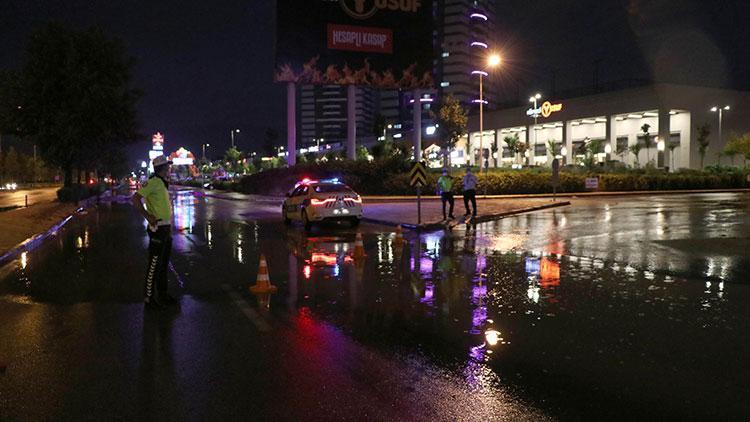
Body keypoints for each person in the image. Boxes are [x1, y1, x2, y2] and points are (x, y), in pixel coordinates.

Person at [132, 155, 176, 310]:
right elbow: (135, 198)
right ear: (161, 168)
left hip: (165, 228)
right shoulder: (152, 182)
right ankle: (148, 298)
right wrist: (147, 216)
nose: (169, 168)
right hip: (157, 229)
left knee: (163, 264)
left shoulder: (162, 183)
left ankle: (163, 295)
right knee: (154, 265)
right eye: (167, 166)